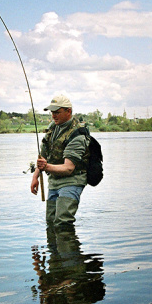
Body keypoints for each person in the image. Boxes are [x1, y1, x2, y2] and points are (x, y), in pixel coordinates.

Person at [30, 95, 90, 229]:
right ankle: (53, 249)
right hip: (54, 181)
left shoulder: (78, 134)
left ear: (68, 111)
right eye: (52, 112)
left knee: (62, 222)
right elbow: (43, 157)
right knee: (51, 221)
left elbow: (69, 168)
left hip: (72, 180)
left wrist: (46, 166)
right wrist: (35, 177)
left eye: (57, 112)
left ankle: (68, 248)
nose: (53, 116)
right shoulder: (53, 127)